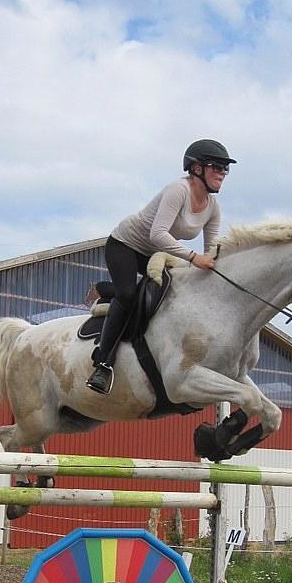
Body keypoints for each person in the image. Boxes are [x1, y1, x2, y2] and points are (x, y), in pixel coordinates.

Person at [86, 138, 236, 395]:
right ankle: (102, 362)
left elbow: (211, 251)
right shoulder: (178, 190)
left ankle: (105, 290)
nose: (221, 173)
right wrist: (192, 257)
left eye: (225, 169)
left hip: (155, 252)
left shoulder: (213, 208)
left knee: (174, 293)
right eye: (216, 167)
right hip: (125, 244)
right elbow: (158, 234)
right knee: (128, 295)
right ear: (197, 168)